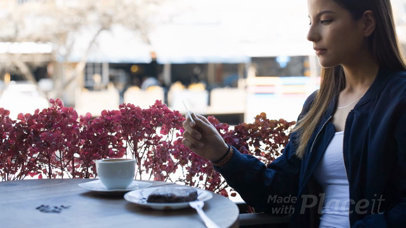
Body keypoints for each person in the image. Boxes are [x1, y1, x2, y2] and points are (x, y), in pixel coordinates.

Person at [182, 0, 406, 227]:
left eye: (326, 20)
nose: (311, 35)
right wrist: (222, 154)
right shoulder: (318, 106)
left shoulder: (400, 99)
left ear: (367, 23)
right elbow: (279, 194)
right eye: (310, 21)